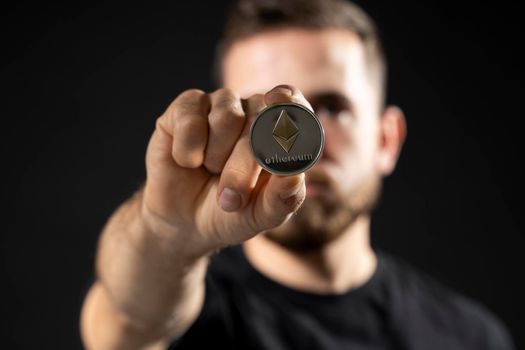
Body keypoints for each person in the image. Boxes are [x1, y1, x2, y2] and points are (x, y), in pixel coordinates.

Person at [80, 0, 515, 349]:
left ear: (386, 139)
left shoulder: (472, 337)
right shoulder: (187, 313)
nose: (301, 143)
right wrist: (165, 235)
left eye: (331, 109)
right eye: (265, 114)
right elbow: (126, 324)